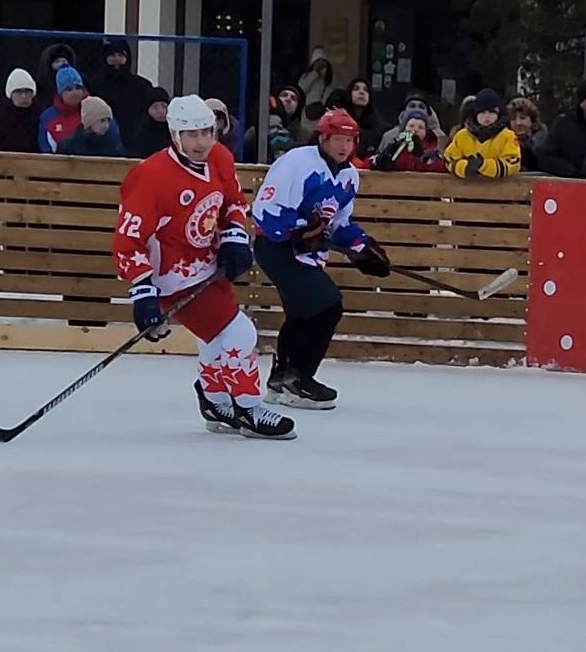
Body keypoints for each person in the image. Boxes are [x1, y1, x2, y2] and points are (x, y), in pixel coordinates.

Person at [111, 94, 293, 439]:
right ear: (174, 135)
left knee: (216, 337)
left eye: (207, 132)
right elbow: (127, 241)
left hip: (206, 266)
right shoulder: (149, 177)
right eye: (191, 134)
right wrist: (144, 294)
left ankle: (215, 400)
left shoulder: (220, 158)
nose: (202, 142)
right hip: (173, 278)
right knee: (240, 333)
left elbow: (233, 204)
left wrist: (235, 237)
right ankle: (249, 407)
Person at [250, 109, 393, 410]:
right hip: (275, 246)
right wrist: (299, 232)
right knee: (327, 305)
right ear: (323, 138)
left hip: (308, 252)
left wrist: (362, 248)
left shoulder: (349, 176)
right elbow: (266, 208)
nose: (344, 146)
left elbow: (338, 223)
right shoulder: (296, 162)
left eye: (350, 140)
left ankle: (281, 380)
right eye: (338, 139)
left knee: (303, 313)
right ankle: (299, 378)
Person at [532, 78, 586, 177]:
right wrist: (571, 172)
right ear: (581, 102)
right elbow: (545, 156)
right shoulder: (564, 125)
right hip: (571, 184)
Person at [445, 88, 523, 180]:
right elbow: (449, 158)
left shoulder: (507, 136)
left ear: (498, 113)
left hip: (499, 189)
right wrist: (465, 168)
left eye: (491, 112)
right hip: (466, 189)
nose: (487, 116)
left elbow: (513, 163)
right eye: (482, 112)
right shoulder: (462, 136)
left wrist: (484, 166)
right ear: (475, 114)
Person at [0, 69, 42, 154]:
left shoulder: (41, 115)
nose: (24, 96)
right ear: (10, 94)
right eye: (18, 92)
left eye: (27, 91)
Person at [382, 106, 449, 172]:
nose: (415, 130)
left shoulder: (434, 150)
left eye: (421, 127)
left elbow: (442, 167)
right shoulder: (396, 147)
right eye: (411, 126)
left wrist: (420, 157)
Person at [37, 63, 88, 152]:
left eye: (78, 88)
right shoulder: (48, 117)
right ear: (61, 93)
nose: (75, 92)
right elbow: (46, 150)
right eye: (69, 89)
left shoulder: (94, 110)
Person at [57, 96, 129, 157]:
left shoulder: (114, 144)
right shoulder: (69, 146)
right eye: (102, 120)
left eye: (108, 120)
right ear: (89, 122)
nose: (106, 125)